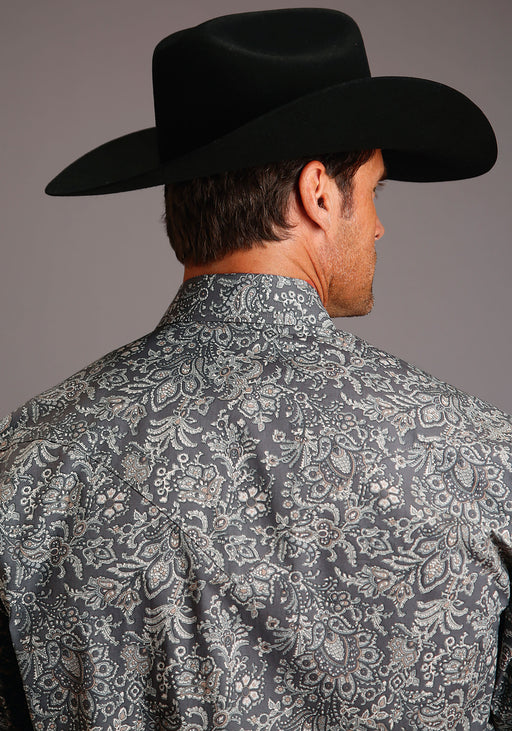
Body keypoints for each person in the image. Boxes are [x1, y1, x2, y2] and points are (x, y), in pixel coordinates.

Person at [0, 7, 511, 730]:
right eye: (375, 190)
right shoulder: (477, 457)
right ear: (318, 192)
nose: (379, 225)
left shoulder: (30, 461)